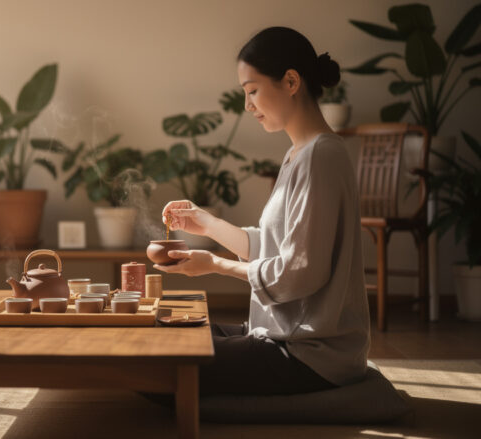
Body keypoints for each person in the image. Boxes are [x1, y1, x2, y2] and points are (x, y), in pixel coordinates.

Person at [156, 26, 370, 396]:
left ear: (290, 81)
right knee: (161, 331)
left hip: (308, 355)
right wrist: (204, 221)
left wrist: (215, 265)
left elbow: (300, 272)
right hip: (280, 336)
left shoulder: (320, 155)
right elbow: (272, 244)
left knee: (160, 358)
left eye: (252, 91)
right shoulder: (298, 154)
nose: (247, 105)